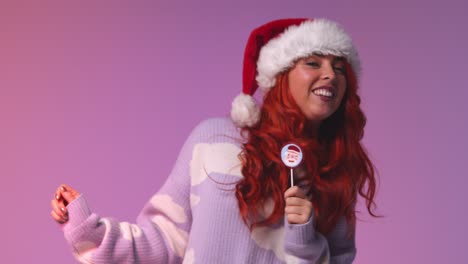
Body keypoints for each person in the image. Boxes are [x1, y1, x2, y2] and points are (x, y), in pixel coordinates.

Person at [50, 18, 378, 264]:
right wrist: (88, 232)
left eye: (339, 68)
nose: (331, 75)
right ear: (279, 76)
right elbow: (164, 242)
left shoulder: (336, 171)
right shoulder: (214, 141)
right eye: (312, 63)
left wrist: (304, 237)